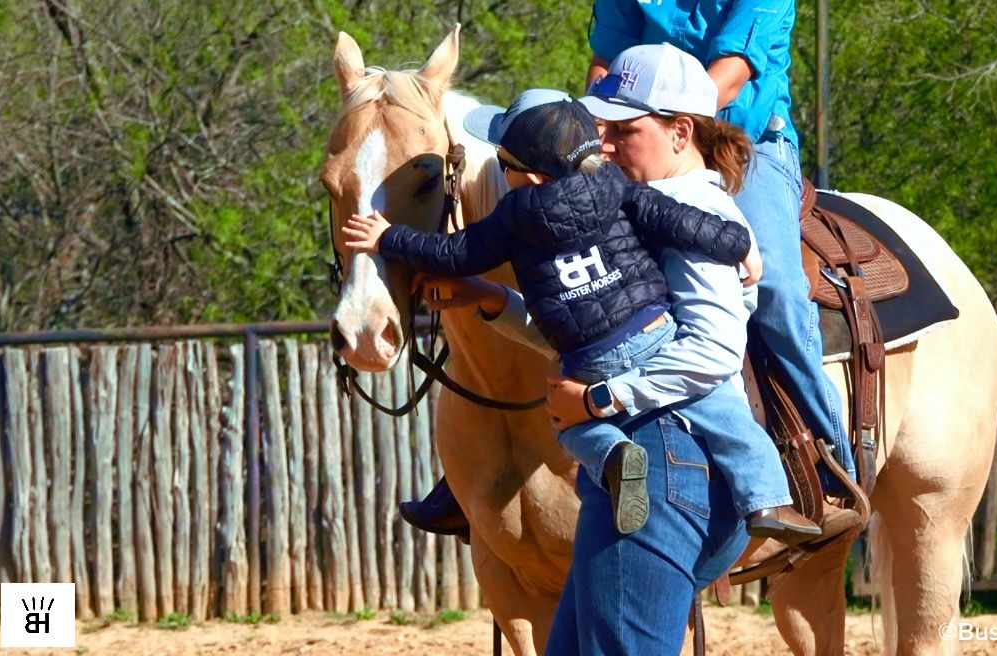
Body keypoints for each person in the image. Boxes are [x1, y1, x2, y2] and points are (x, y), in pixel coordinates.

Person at [341, 88, 802, 540]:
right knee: (721, 407)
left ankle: (613, 453)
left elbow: (455, 252)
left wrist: (389, 238)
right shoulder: (617, 186)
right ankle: (767, 496)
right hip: (652, 330)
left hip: (588, 355)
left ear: (531, 175)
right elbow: (679, 221)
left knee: (568, 422)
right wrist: (738, 243)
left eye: (503, 165)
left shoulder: (513, 216)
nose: (501, 174)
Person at [587, 0, 857, 481]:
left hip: (745, 140)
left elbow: (730, 75)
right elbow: (605, 64)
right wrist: (598, 133)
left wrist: (657, 132)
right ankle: (488, 457)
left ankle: (829, 453)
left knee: (775, 285)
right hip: (642, 136)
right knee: (563, 249)